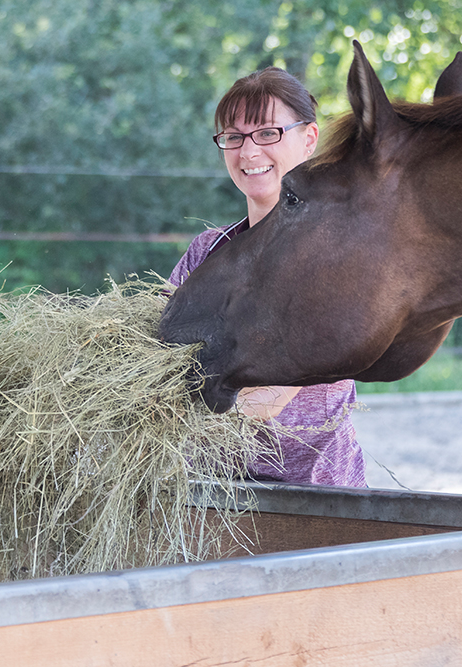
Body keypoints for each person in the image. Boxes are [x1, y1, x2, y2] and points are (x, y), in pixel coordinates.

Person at [169, 67, 365, 487]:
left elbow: (289, 377)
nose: (248, 152)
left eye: (268, 133)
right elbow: (156, 357)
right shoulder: (205, 252)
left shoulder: (337, 254)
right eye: (234, 137)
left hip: (319, 504)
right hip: (209, 500)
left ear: (309, 138)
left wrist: (176, 424)